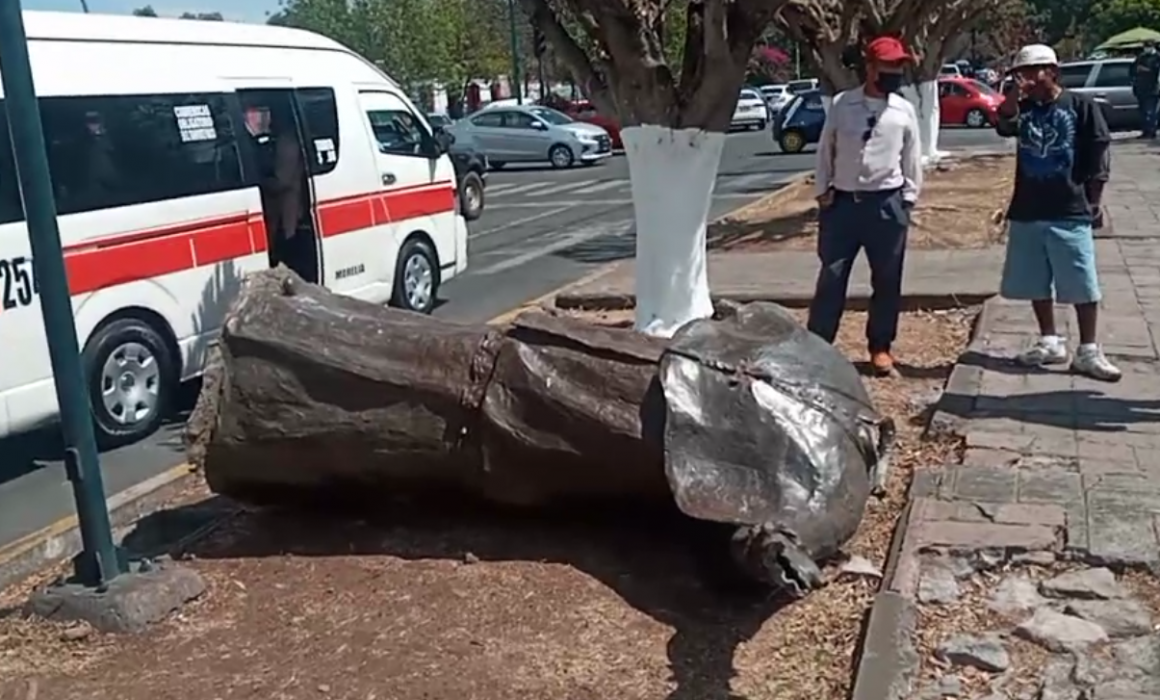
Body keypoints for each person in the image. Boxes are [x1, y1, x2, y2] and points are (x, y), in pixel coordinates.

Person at [995, 44, 1119, 382]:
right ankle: (1050, 340)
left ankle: (1089, 350)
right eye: (1021, 73)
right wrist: (1011, 94)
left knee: (1082, 282)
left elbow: (1098, 152)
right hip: (1028, 208)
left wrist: (1095, 200)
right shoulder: (1022, 108)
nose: (1028, 79)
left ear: (1052, 71)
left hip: (1069, 207)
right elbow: (1004, 125)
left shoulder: (1080, 105)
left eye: (1033, 71)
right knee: (1036, 281)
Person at [807, 35, 923, 377]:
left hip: (886, 205)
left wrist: (909, 198)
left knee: (887, 280)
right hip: (843, 205)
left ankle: (880, 348)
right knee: (832, 276)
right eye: (888, 66)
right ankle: (817, 347)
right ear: (870, 68)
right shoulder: (844, 104)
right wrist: (822, 189)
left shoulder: (904, 111)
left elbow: (912, 157)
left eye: (899, 67)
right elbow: (825, 148)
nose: (895, 73)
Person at [1132, 39, 1160, 138]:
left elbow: (1156, 71)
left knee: (1151, 111)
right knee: (1143, 111)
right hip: (1141, 89)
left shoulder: (1157, 57)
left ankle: (1152, 131)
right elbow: (1133, 70)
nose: (1147, 48)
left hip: (1153, 89)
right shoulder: (1141, 57)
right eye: (1145, 46)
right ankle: (1145, 131)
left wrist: (1147, 70)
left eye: (1149, 46)